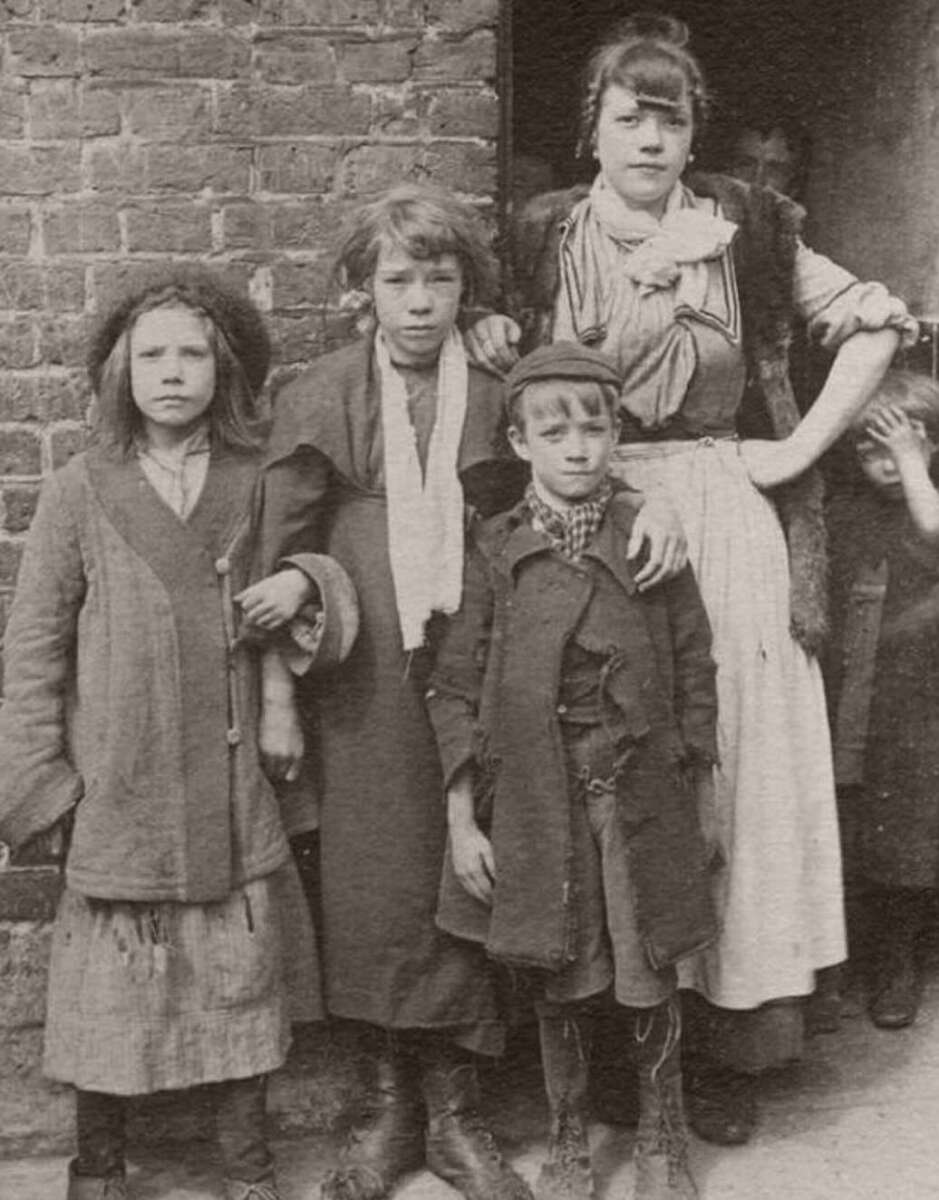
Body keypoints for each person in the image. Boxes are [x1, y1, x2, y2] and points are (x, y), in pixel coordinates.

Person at [467, 11, 918, 1144]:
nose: (652, 143)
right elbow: (498, 353)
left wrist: (793, 450)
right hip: (588, 505)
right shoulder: (541, 235)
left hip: (722, 506)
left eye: (671, 122)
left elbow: (875, 325)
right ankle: (614, 1040)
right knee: (607, 757)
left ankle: (724, 1043)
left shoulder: (748, 226)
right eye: (631, 119)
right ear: (594, 129)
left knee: (730, 766)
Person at [0, 268, 322, 1200]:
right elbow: (33, 648)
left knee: (237, 966)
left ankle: (248, 1168)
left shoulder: (255, 480)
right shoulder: (80, 490)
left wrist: (285, 656)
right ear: (119, 372)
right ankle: (97, 1167)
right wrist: (43, 782)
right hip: (120, 778)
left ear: (222, 372)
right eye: (151, 355)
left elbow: (306, 578)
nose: (171, 372)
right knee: (108, 982)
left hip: (224, 781)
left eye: (192, 354)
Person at [245, 183, 536, 1200]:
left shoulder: (500, 391)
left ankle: (458, 1108)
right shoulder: (320, 392)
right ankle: (383, 1102)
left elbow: (530, 518)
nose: (420, 302)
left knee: (471, 866)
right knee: (373, 874)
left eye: (441, 280)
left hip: (472, 649)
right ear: (363, 290)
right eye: (398, 280)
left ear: (469, 290)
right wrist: (280, 699)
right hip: (356, 670)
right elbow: (277, 555)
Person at [426, 342, 719, 1200]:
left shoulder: (649, 541)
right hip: (539, 797)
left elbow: (694, 667)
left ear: (615, 434)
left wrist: (701, 794)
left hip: (639, 793)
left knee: (647, 964)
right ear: (520, 444)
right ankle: (566, 1137)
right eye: (552, 433)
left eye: (593, 428)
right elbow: (451, 687)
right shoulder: (496, 551)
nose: (576, 448)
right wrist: (461, 818)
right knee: (558, 970)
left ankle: (662, 1135)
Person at [826, 370, 939, 1032]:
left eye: (905, 442)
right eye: (870, 447)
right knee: (852, 828)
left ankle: (898, 960)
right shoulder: (842, 515)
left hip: (916, 704)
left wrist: (909, 462)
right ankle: (854, 957)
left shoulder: (927, 505)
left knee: (907, 833)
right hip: (852, 699)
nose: (885, 462)